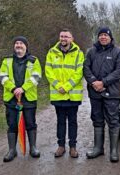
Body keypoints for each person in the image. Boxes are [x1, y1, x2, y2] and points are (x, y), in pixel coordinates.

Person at [83, 27, 120, 162]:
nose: (103, 37)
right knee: (97, 119)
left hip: (111, 92)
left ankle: (113, 151)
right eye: (101, 35)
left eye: (105, 35)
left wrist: (103, 82)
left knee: (113, 121)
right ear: (98, 37)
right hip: (94, 92)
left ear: (110, 37)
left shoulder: (118, 52)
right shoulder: (91, 52)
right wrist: (94, 82)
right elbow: (86, 68)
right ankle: (98, 148)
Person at [0, 36, 42, 162]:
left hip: (28, 98)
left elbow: (36, 77)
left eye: (21, 43)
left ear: (26, 46)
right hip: (11, 98)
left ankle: (33, 147)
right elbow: (2, 76)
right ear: (14, 46)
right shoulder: (6, 60)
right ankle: (12, 150)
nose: (18, 45)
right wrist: (13, 89)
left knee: (30, 123)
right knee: (12, 124)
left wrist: (23, 88)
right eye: (16, 43)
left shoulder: (34, 60)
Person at [45, 29, 84, 158]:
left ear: (72, 38)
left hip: (72, 95)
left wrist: (66, 87)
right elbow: (48, 71)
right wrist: (57, 86)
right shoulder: (51, 52)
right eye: (61, 36)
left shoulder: (79, 53)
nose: (63, 39)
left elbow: (79, 72)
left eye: (66, 36)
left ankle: (73, 147)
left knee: (73, 121)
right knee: (60, 121)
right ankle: (61, 146)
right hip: (58, 94)